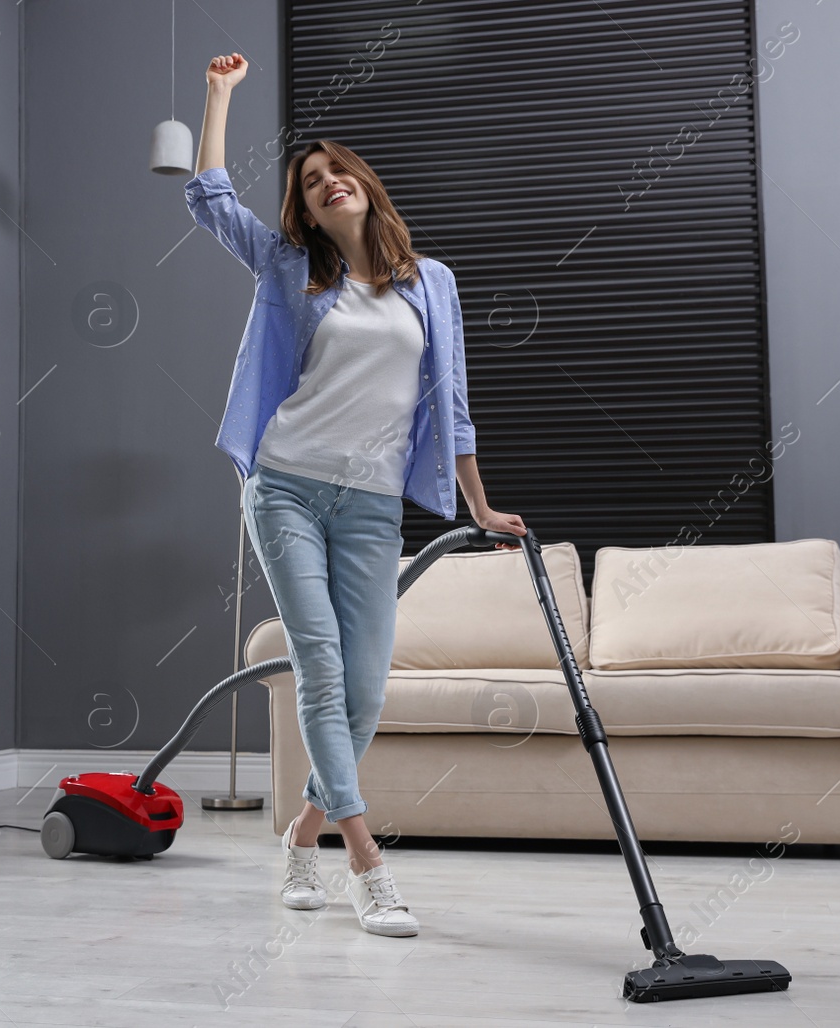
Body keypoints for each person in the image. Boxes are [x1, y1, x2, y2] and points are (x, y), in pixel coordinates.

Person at [186, 52, 526, 937]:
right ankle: (368, 864)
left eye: (338, 170)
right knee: (323, 669)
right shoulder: (290, 269)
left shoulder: (431, 284)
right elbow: (211, 200)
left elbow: (451, 407)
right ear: (303, 207)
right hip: (289, 490)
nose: (327, 181)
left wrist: (480, 507)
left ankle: (303, 835)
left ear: (365, 186)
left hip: (373, 505)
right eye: (309, 179)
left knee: (366, 691)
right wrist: (218, 98)